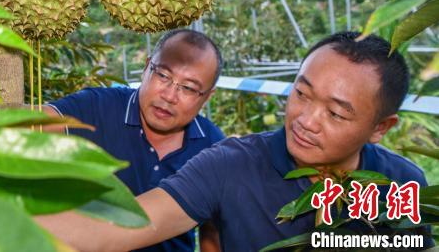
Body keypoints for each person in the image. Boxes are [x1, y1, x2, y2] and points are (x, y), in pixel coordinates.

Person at [37, 32, 433, 252]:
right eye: (301, 94)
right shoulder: (228, 164)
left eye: (336, 113)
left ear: (381, 127)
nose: (306, 120)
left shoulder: (402, 185)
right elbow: (120, 225)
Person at [42, 29, 226, 252]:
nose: (169, 96)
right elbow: (36, 123)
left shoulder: (214, 148)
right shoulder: (97, 107)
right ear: (147, 66)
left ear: (207, 96)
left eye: (188, 88)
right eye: (163, 75)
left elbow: (213, 235)